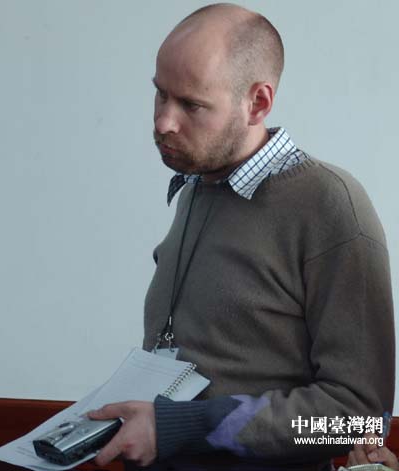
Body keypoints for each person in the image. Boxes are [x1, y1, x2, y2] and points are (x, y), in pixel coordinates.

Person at [88, 3, 395, 470]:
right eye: (160, 94)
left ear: (258, 103)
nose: (164, 121)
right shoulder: (198, 185)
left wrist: (179, 427)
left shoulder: (330, 206)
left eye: (191, 104)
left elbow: (357, 421)